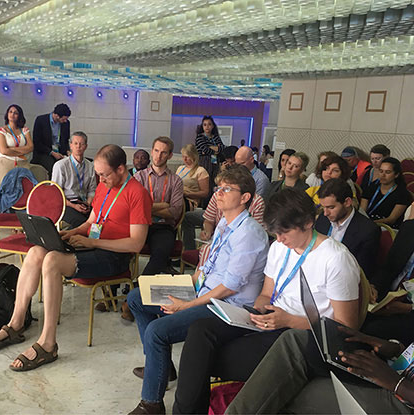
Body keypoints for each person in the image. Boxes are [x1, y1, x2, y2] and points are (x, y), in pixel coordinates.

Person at [173, 188, 361, 414]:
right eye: (276, 233)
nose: (280, 239)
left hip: (302, 335)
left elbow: (346, 327)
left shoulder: (336, 259)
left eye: (285, 232)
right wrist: (260, 307)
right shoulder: (279, 247)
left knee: (204, 362)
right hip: (270, 319)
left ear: (309, 222)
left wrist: (288, 320)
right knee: (200, 330)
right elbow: (266, 293)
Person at [0, 144, 152, 371]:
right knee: (36, 252)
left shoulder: (138, 194)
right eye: (98, 175)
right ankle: (16, 323)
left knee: (51, 261)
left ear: (121, 169)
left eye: (104, 175)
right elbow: (92, 222)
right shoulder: (105, 187)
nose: (100, 180)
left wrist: (93, 242)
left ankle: (48, 343)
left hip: (114, 257)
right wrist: (71, 233)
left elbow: (136, 243)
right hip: (92, 246)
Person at [127, 165, 269, 415]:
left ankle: (151, 404)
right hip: (203, 290)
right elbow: (209, 267)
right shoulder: (225, 223)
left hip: (226, 307)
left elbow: (230, 287)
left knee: (157, 331)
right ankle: (161, 366)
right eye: (218, 188)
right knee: (137, 298)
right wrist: (185, 283)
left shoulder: (249, 233)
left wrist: (187, 304)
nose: (218, 193)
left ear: (245, 197)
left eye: (226, 189)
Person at [226, 328, 414, 414]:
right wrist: (394, 348)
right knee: (298, 340)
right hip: (395, 374)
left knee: (290, 388)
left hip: (402, 399)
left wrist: (398, 384)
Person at [362, 207, 414, 346]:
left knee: (370, 331)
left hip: (409, 309)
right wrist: (374, 286)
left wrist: (406, 308)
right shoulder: (409, 228)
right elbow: (388, 267)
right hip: (388, 297)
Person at [134, 137, 184, 275]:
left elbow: (174, 212)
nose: (158, 156)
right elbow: (134, 207)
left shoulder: (176, 181)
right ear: (151, 151)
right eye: (156, 151)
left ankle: (140, 287)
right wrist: (163, 205)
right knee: (120, 248)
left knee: (161, 254)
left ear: (170, 155)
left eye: (163, 152)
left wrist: (147, 208)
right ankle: (116, 288)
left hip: (163, 227)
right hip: (140, 224)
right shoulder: (139, 177)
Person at [315, 178, 380, 279]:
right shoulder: (323, 219)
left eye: (331, 207)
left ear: (347, 202)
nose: (325, 213)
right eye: (323, 207)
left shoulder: (368, 231)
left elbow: (361, 271)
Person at [51, 131, 98, 228]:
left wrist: (88, 203)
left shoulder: (90, 166)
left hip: (84, 202)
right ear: (71, 145)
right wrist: (73, 206)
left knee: (99, 220)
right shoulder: (61, 165)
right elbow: (56, 194)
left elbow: (92, 189)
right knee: (83, 224)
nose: (78, 146)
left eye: (82, 144)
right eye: (75, 143)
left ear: (86, 146)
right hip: (66, 204)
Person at [361, 157, 412, 228]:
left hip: (387, 228)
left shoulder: (402, 194)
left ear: (396, 174)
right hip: (366, 223)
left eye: (387, 172)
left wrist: (370, 223)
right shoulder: (372, 187)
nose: (383, 175)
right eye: (381, 171)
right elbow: (362, 210)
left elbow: (391, 219)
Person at [177, 144, 209, 250]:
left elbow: (205, 193)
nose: (185, 159)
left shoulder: (200, 171)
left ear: (194, 156)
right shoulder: (180, 168)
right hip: (178, 197)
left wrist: (187, 194)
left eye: (187, 156)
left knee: (174, 208)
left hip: (190, 200)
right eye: (183, 156)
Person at [0, 104, 33, 184]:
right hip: (5, 164)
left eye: (15, 113)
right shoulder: (1, 131)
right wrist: (23, 150)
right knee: (8, 190)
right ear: (7, 114)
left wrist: (11, 149)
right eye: (10, 112)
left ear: (19, 116)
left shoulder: (25, 130)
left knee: (25, 189)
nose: (12, 114)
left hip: (23, 163)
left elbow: (30, 147)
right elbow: (4, 150)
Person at [31, 103, 71, 176]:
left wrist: (68, 151)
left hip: (60, 152)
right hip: (44, 153)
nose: (65, 121)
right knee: (54, 167)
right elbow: (37, 142)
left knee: (69, 165)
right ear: (57, 116)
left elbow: (66, 140)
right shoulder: (41, 120)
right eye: (64, 119)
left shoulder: (66, 123)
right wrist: (52, 153)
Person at [195, 116, 224, 202]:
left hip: (215, 163)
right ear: (202, 126)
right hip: (204, 162)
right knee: (205, 183)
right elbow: (205, 150)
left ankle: (212, 203)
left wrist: (211, 148)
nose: (207, 127)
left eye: (209, 124)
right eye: (205, 125)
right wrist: (215, 149)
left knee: (214, 182)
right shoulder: (200, 137)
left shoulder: (216, 137)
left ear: (213, 126)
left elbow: (222, 148)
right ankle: (204, 204)